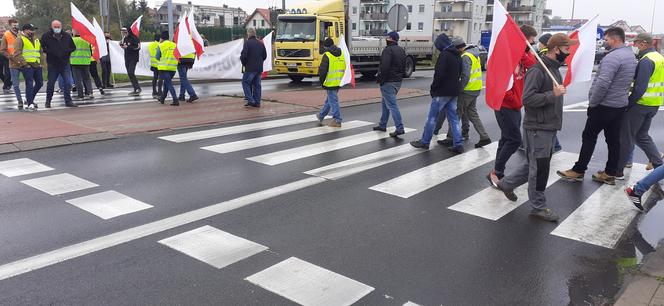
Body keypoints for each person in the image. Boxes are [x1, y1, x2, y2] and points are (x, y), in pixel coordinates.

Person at [490, 33, 575, 222]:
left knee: (532, 164)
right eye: (567, 49)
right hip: (538, 128)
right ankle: (538, 206)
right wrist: (552, 95)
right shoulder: (538, 70)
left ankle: (506, 184)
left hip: (548, 126)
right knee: (540, 168)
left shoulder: (553, 68)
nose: (568, 52)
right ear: (556, 49)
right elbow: (527, 99)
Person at [557, 27, 638, 185]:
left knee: (589, 137)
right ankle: (610, 173)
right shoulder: (630, 55)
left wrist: (593, 103)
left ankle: (578, 170)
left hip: (604, 105)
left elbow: (602, 83)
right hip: (620, 105)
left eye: (607, 40)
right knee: (614, 140)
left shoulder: (612, 58)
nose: (605, 42)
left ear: (614, 40)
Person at [487, 25, 538, 181]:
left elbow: (533, 65)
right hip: (505, 104)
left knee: (506, 138)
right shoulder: (506, 55)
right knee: (515, 139)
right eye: (530, 41)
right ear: (523, 39)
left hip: (516, 104)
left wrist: (523, 51)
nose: (532, 44)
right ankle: (496, 171)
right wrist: (512, 97)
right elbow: (499, 79)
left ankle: (498, 170)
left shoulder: (522, 54)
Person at [615, 33, 664, 179]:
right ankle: (659, 165)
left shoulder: (646, 60)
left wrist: (629, 104)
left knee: (626, 138)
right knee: (642, 136)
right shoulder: (659, 58)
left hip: (640, 105)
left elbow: (640, 87)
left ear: (643, 44)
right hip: (654, 104)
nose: (634, 47)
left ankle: (616, 172)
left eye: (635, 44)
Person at [409, 33, 463, 153]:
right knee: (454, 119)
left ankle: (424, 142)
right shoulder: (457, 55)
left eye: (437, 45)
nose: (437, 47)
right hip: (453, 92)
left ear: (441, 44)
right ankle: (458, 143)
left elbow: (439, 75)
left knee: (432, 118)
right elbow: (460, 73)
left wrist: (433, 89)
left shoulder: (444, 55)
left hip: (442, 92)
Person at [436, 37, 492, 148]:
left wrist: (460, 89)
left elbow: (465, 75)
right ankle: (484, 137)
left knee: (456, 114)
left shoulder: (465, 56)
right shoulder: (474, 55)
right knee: (472, 114)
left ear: (458, 48)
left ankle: (451, 137)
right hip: (475, 89)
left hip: (466, 90)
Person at [373, 31, 406, 137]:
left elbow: (385, 67)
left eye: (388, 38)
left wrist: (381, 80)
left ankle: (399, 127)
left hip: (388, 81)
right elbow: (404, 66)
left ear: (391, 39)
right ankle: (383, 124)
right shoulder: (401, 50)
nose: (386, 39)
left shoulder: (388, 50)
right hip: (397, 81)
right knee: (385, 102)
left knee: (392, 105)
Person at [40, 20, 76, 108]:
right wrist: (51, 52)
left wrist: (66, 52)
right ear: (52, 27)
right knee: (51, 83)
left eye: (58, 27)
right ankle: (48, 101)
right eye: (55, 27)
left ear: (61, 26)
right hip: (53, 63)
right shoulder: (46, 36)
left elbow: (73, 47)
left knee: (68, 83)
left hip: (64, 63)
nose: (57, 28)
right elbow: (43, 47)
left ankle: (68, 101)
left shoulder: (67, 36)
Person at [316, 37, 346, 127]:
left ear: (326, 46)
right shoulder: (341, 53)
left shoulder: (327, 55)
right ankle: (321, 115)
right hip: (338, 81)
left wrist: (321, 81)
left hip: (330, 82)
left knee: (333, 101)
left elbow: (323, 71)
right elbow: (344, 66)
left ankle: (337, 120)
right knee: (330, 100)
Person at [13, 23, 43, 109]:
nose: (33, 31)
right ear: (25, 30)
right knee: (29, 84)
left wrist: (40, 63)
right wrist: (25, 64)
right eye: (31, 30)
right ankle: (30, 103)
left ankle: (29, 98)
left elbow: (39, 51)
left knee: (40, 83)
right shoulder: (20, 39)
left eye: (34, 29)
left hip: (36, 64)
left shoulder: (36, 39)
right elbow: (17, 53)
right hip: (27, 65)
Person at [240, 27, 267, 107]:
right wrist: (259, 62)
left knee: (245, 82)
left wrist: (244, 63)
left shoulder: (247, 43)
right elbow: (265, 56)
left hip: (250, 68)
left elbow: (243, 56)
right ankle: (257, 102)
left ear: (248, 34)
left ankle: (251, 100)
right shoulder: (260, 43)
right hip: (259, 68)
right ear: (255, 34)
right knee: (257, 85)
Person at [0, 19, 23, 108]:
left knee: (30, 82)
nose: (16, 27)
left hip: (24, 61)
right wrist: (10, 57)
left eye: (17, 25)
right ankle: (19, 100)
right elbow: (2, 50)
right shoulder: (7, 35)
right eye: (14, 25)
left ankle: (30, 99)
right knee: (15, 83)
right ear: (10, 26)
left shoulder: (21, 33)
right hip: (12, 61)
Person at [156, 31, 179, 106]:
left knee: (168, 84)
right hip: (173, 68)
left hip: (164, 68)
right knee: (166, 83)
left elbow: (157, 57)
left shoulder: (161, 45)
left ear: (162, 38)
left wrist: (160, 43)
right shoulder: (174, 45)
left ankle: (175, 100)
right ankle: (162, 98)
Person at [70, 30, 94, 101]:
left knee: (78, 80)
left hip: (75, 62)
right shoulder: (86, 40)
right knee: (87, 78)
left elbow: (68, 50)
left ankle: (80, 95)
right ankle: (90, 93)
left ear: (74, 32)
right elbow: (90, 50)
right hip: (86, 61)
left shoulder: (72, 40)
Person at [120, 27, 141, 96]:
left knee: (131, 72)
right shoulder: (125, 38)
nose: (124, 34)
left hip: (133, 58)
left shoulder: (135, 38)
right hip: (127, 58)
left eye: (125, 32)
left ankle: (137, 88)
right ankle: (135, 88)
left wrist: (127, 47)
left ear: (129, 31)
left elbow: (137, 48)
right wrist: (122, 45)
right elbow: (125, 46)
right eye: (123, 32)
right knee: (129, 73)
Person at [148, 34, 162, 99]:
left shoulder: (150, 45)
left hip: (153, 64)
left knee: (155, 78)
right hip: (160, 64)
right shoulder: (161, 45)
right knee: (160, 78)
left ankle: (154, 90)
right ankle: (159, 91)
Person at [0, 29, 11, 94]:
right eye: (1, 31)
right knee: (0, 73)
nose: (2, 32)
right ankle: (9, 83)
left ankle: (6, 86)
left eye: (4, 31)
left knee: (7, 72)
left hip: (6, 56)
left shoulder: (7, 37)